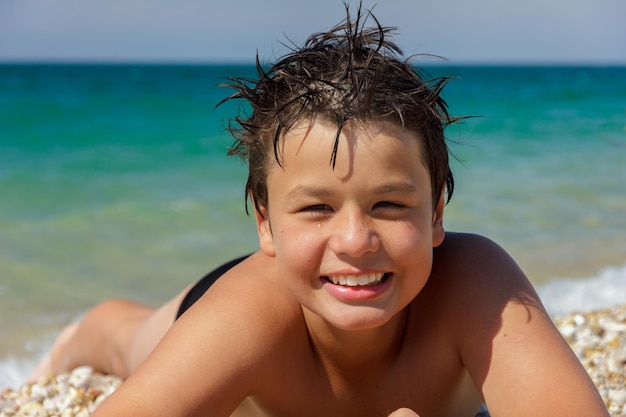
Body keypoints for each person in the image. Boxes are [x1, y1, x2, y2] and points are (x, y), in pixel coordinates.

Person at [30, 4, 608, 417]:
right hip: (248, 293)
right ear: (265, 220)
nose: (356, 238)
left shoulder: (475, 284)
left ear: (436, 214)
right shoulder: (246, 318)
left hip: (310, 269)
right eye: (316, 207)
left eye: (389, 203)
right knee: (135, 342)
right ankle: (96, 326)